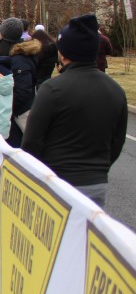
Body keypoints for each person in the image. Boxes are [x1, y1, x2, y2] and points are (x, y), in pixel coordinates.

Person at [22, 14, 128, 207]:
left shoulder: (52, 90)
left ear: (63, 54)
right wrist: (98, 170)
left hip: (56, 182)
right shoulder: (116, 91)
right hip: (96, 183)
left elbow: (31, 141)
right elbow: (117, 141)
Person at [0, 17, 40, 148]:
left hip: (19, 112)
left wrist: (6, 106)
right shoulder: (16, 55)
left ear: (2, 35)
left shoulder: (19, 59)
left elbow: (23, 91)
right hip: (15, 110)